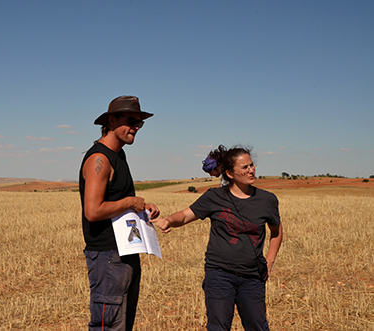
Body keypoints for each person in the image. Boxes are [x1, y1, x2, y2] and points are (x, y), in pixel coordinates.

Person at [153, 146, 283, 331]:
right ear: (229, 173)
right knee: (218, 327)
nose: (251, 170)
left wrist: (269, 261)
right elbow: (185, 215)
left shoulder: (267, 200)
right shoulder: (214, 197)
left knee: (258, 326)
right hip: (220, 275)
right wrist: (168, 220)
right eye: (245, 167)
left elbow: (276, 231)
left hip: (253, 276)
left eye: (252, 165)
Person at [79, 95, 160, 331]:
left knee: (122, 325)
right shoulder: (100, 159)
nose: (136, 126)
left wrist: (142, 207)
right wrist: (129, 202)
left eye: (140, 122)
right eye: (131, 120)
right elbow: (93, 211)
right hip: (107, 257)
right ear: (111, 120)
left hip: (125, 252)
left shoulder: (119, 155)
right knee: (108, 325)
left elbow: (117, 201)